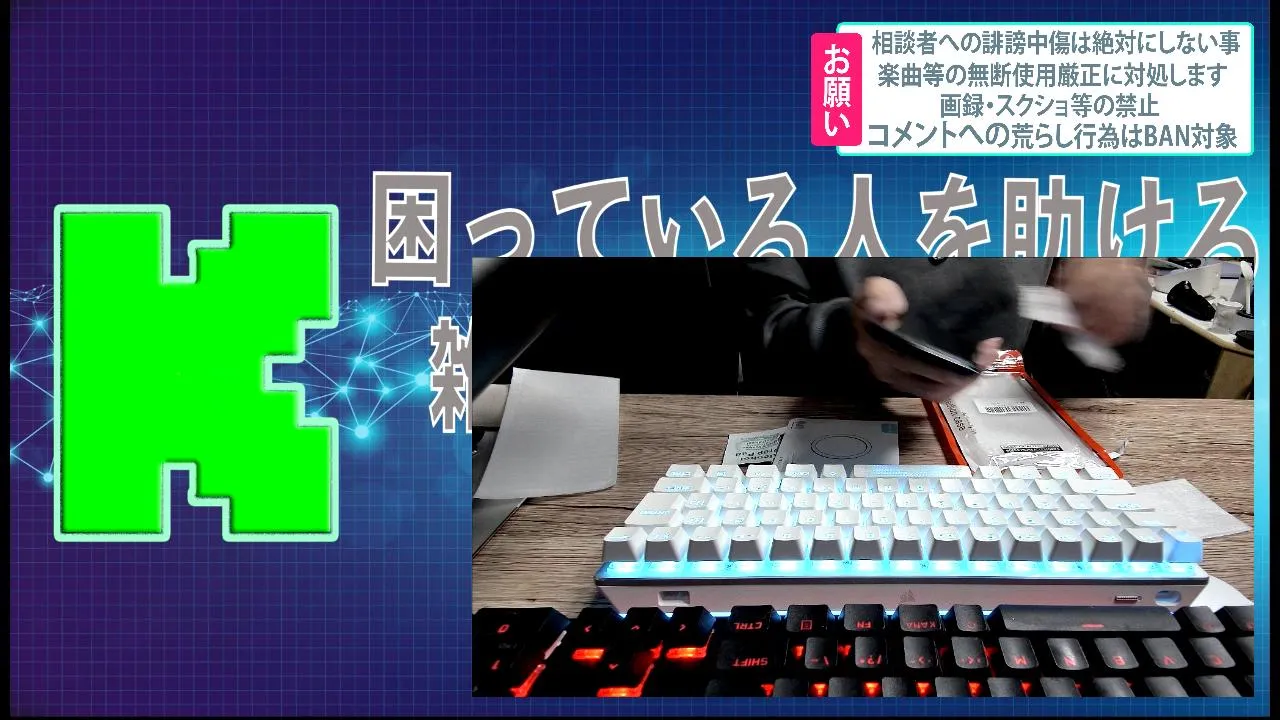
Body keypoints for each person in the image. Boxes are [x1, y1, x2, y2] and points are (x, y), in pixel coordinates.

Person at [733, 257, 1152, 401]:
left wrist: (1114, 264)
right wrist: (847, 334)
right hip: (827, 419)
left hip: (1009, 430)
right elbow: (765, 320)